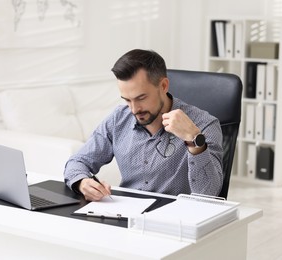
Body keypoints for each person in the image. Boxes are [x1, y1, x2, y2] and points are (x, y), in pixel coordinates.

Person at [64, 49, 223, 201]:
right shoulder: (118, 119)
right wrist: (83, 183)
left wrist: (194, 140)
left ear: (163, 86)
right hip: (125, 217)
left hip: (174, 222)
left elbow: (208, 195)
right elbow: (77, 162)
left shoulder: (204, 124)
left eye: (141, 98)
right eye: (127, 100)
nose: (134, 109)